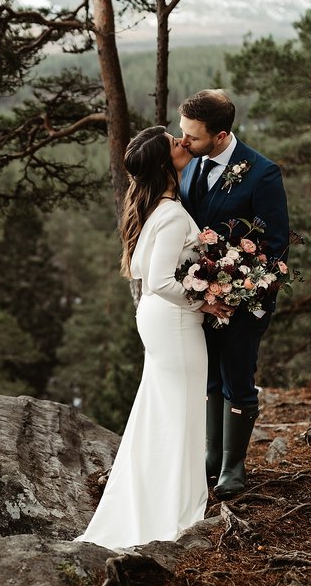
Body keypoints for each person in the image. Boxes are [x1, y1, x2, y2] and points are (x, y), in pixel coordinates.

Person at [76, 126, 233, 550]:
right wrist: (207, 302)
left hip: (163, 318)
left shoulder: (159, 209)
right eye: (174, 143)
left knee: (161, 409)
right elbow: (163, 280)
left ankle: (157, 498)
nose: (182, 142)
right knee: (179, 411)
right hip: (175, 321)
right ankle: (174, 509)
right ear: (165, 164)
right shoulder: (168, 213)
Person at [177, 89, 290, 500]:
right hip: (202, 298)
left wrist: (238, 290)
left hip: (246, 301)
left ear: (222, 135)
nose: (183, 141)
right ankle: (212, 456)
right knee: (209, 375)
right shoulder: (192, 165)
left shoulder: (262, 173)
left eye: (192, 135)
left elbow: (275, 244)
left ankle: (234, 465)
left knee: (237, 378)